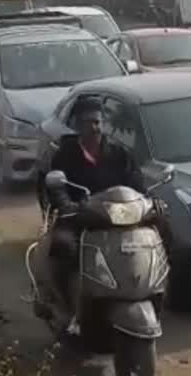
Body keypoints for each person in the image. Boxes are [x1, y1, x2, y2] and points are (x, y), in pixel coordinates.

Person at [46, 96, 144, 325]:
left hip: (117, 219)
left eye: (98, 122)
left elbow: (137, 184)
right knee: (62, 246)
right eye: (89, 122)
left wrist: (147, 201)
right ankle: (68, 307)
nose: (95, 127)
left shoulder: (119, 154)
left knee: (156, 236)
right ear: (78, 125)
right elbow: (56, 187)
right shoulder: (65, 154)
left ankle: (149, 293)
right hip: (79, 219)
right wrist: (67, 205)